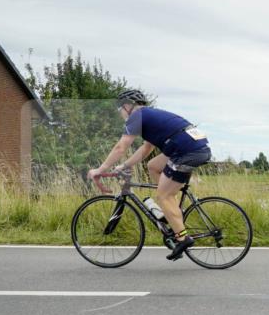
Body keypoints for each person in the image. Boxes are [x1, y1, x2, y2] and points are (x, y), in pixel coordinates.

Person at [88, 89, 212, 261]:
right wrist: (124, 165)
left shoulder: (136, 117)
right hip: (194, 147)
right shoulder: (148, 116)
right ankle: (173, 212)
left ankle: (183, 238)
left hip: (186, 151)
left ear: (127, 106)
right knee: (153, 166)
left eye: (120, 110)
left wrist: (100, 170)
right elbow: (146, 149)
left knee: (163, 196)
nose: (120, 114)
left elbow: (120, 147)